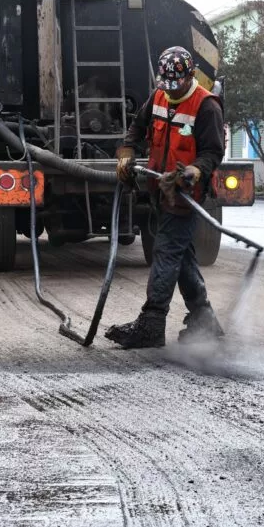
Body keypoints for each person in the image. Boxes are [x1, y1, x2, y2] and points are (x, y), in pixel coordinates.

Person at [105, 46, 225, 349]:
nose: (172, 91)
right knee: (181, 256)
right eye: (167, 85)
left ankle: (152, 323)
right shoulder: (159, 96)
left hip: (184, 195)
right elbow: (139, 125)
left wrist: (196, 171)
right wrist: (128, 150)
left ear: (190, 74)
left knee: (166, 252)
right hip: (159, 189)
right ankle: (204, 320)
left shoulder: (206, 106)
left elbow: (213, 152)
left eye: (178, 85)